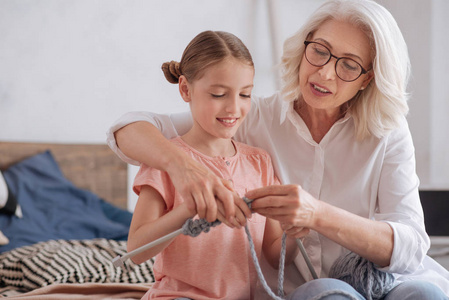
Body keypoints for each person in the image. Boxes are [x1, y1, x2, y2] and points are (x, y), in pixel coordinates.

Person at [108, 0, 449, 299]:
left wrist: (317, 215)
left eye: (348, 65)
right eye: (319, 51)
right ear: (303, 48)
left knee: (424, 293)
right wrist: (186, 171)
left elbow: (411, 247)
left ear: (367, 78)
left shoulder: (387, 133)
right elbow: (128, 129)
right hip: (313, 291)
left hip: (385, 280)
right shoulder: (248, 117)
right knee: (328, 294)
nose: (326, 72)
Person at [127, 30, 300, 300]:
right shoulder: (166, 160)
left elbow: (274, 254)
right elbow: (136, 250)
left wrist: (297, 234)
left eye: (245, 95)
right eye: (219, 94)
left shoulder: (260, 162)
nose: (234, 108)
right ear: (186, 89)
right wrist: (189, 209)